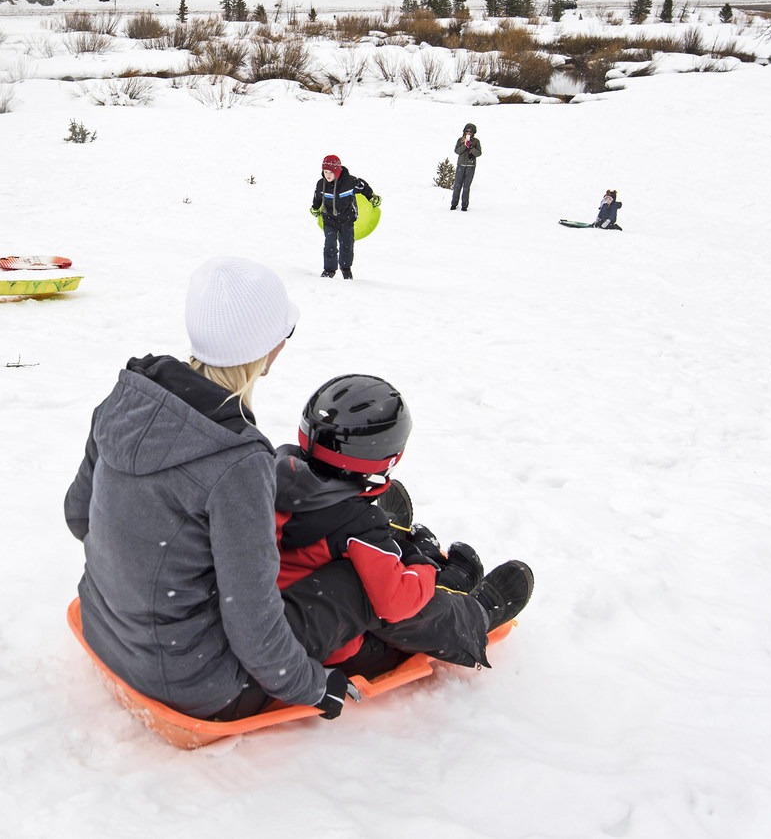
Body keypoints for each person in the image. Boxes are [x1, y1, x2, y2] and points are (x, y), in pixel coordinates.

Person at [65, 257, 370, 722]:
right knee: (351, 588)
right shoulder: (238, 459)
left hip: (104, 630)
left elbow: (79, 515)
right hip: (193, 684)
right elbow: (251, 623)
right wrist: (311, 687)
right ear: (269, 348)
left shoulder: (129, 398)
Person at [273, 373, 534, 678]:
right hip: (336, 647)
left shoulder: (266, 477)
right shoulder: (357, 525)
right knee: (392, 601)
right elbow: (395, 603)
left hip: (271, 608)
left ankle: (398, 546)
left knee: (365, 567)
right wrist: (419, 564)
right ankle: (473, 614)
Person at [310, 154, 377, 280]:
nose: (327, 175)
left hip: (347, 219)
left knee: (347, 244)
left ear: (337, 171)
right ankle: (329, 270)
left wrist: (372, 198)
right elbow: (317, 197)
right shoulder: (321, 184)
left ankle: (346, 269)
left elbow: (364, 187)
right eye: (325, 171)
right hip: (329, 219)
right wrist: (314, 207)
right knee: (330, 244)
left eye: (331, 172)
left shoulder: (350, 182)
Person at [450, 123, 481, 212]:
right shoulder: (460, 140)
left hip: (471, 166)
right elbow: (457, 151)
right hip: (461, 165)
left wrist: (471, 148)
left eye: (470, 131)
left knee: (466, 186)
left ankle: (464, 205)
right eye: (467, 131)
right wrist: (464, 145)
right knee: (457, 185)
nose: (468, 133)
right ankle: (454, 204)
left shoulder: (476, 141)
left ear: (473, 132)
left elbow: (479, 153)